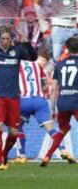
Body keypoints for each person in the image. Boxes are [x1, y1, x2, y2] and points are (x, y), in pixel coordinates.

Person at [0, 25, 37, 170]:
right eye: (2, 38)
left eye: (7, 39)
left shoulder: (17, 51)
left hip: (14, 97)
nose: (5, 41)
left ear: (11, 39)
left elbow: (33, 58)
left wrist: (26, 43)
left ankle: (4, 155)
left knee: (14, 133)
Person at [14, 48, 75, 164]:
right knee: (51, 128)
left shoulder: (18, 65)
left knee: (18, 126)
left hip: (24, 100)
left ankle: (21, 155)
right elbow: (45, 87)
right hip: (40, 101)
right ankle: (62, 149)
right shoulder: (39, 69)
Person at [40, 36, 78, 166]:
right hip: (76, 101)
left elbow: (53, 88)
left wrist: (52, 108)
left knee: (63, 129)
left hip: (63, 103)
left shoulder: (60, 64)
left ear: (66, 48)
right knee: (64, 129)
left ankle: (47, 156)